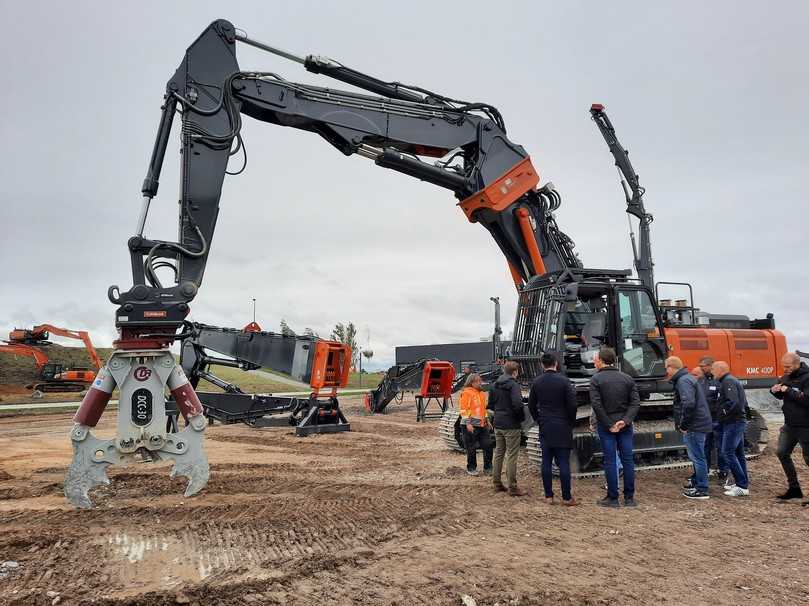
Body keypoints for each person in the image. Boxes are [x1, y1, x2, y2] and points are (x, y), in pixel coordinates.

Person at [589, 347, 640, 507]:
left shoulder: (596, 379)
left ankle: (613, 498)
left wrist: (610, 424)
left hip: (607, 427)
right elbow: (635, 403)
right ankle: (629, 498)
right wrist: (624, 421)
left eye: (596, 359)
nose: (594, 361)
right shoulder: (627, 378)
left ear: (602, 361)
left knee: (610, 460)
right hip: (625, 425)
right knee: (628, 460)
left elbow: (597, 405)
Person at [528, 353, 578, 506]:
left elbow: (531, 405)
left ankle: (548, 496)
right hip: (562, 425)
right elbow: (572, 405)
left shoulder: (537, 382)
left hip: (546, 425)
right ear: (556, 363)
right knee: (563, 462)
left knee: (546, 462)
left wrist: (539, 419)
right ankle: (567, 497)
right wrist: (570, 421)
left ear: (542, 365)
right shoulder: (564, 381)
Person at [667, 357, 713, 499]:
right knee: (699, 456)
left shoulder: (683, 381)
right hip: (698, 423)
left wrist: (684, 425)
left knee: (698, 457)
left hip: (694, 426)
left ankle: (702, 489)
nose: (666, 372)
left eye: (666, 368)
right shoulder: (687, 379)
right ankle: (697, 483)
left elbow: (689, 404)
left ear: (671, 367)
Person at [770, 352, 809, 501]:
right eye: (783, 366)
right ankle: (794, 489)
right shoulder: (786, 377)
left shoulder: (807, 377)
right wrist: (775, 391)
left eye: (788, 366)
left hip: (805, 425)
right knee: (782, 452)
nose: (785, 369)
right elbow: (782, 395)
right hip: (789, 425)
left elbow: (806, 400)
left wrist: (790, 391)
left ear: (797, 364)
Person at [488, 361, 527, 496]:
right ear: (515, 372)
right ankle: (513, 487)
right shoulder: (513, 385)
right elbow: (518, 404)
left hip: (498, 423)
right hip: (511, 424)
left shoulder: (494, 385)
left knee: (499, 453)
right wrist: (521, 418)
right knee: (512, 455)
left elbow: (490, 404)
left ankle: (497, 484)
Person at [713, 361, 750, 497]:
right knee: (738, 454)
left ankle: (742, 485)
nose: (712, 371)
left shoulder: (728, 381)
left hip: (733, 422)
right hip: (735, 421)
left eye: (713, 369)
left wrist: (722, 413)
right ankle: (742, 483)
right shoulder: (729, 380)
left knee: (727, 452)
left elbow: (732, 402)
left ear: (720, 370)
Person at [697, 356, 727, 485]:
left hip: (717, 420)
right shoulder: (701, 381)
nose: (701, 368)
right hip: (705, 420)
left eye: (703, 365)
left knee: (721, 447)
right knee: (705, 446)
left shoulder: (719, 381)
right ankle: (706, 470)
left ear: (710, 366)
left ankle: (723, 471)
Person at [459, 373, 493, 476]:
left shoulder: (481, 394)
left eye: (480, 380)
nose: (480, 382)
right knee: (471, 448)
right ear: (471, 382)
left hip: (482, 424)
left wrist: (487, 420)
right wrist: (468, 423)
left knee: (487, 445)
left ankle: (488, 467)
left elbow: (482, 409)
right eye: (478, 381)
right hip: (470, 425)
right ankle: (471, 468)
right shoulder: (466, 393)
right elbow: (464, 409)